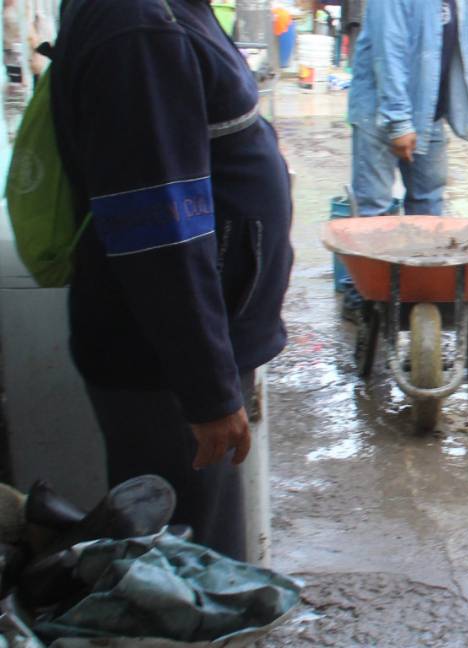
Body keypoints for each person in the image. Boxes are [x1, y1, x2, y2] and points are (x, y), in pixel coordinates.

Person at [50, 0, 294, 560]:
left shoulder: (163, 15)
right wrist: (207, 392)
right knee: (191, 565)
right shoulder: (138, 28)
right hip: (167, 365)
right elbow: (158, 233)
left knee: (194, 546)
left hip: (178, 353)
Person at [348, 0, 468, 219]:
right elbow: (388, 52)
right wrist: (399, 121)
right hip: (379, 110)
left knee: (428, 205)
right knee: (374, 209)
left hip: (429, 113)